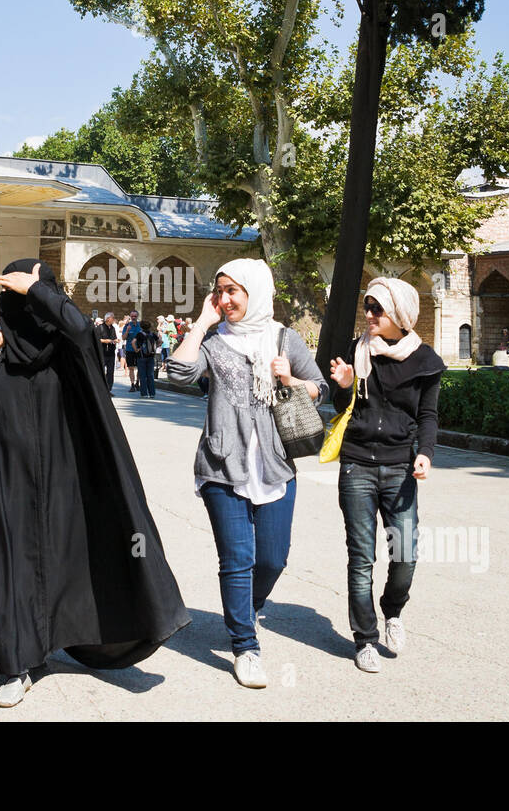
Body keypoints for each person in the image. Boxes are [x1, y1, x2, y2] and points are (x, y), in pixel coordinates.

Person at [0, 260, 190, 707]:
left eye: (41, 291)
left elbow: (80, 327)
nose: (32, 301)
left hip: (61, 481)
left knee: (59, 563)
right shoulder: (0, 347)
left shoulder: (68, 351)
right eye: (24, 292)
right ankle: (12, 665)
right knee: (7, 564)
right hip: (2, 478)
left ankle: (45, 643)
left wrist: (36, 289)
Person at [167, 258, 326, 689]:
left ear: (255, 292)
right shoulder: (215, 342)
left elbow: (319, 387)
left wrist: (291, 379)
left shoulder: (283, 338)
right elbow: (179, 373)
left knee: (273, 558)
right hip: (222, 465)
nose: (225, 298)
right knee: (237, 559)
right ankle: (245, 646)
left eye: (233, 290)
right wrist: (201, 322)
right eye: (220, 290)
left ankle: (246, 608)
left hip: (275, 465)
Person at [328, 277, 446, 674]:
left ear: (399, 314)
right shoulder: (357, 352)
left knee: (406, 553)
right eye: (368, 306)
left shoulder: (425, 360)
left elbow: (428, 415)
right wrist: (344, 386)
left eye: (378, 308)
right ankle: (365, 639)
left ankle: (392, 610)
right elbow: (342, 405)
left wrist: (425, 454)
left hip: (400, 467)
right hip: (357, 464)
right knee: (361, 558)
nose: (369, 315)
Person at [135, 320, 159, 398]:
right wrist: (154, 348)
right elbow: (160, 341)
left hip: (141, 357)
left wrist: (136, 349)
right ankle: (152, 393)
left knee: (142, 376)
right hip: (151, 356)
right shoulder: (153, 334)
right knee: (150, 375)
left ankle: (144, 394)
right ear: (150, 326)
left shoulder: (139, 334)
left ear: (141, 326)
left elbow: (133, 342)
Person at [96, 311, 118, 390]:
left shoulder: (113, 328)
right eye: (113, 317)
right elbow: (96, 339)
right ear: (108, 319)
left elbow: (114, 337)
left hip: (111, 353)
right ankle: (101, 388)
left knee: (110, 372)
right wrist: (105, 341)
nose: (114, 319)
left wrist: (115, 340)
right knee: (101, 371)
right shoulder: (100, 327)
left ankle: (109, 389)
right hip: (102, 352)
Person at [122, 310, 142, 392]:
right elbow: (123, 338)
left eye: (135, 316)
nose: (133, 318)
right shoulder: (127, 326)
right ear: (130, 317)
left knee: (140, 367)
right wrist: (127, 330)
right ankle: (132, 384)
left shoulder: (140, 325)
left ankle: (138, 382)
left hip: (139, 349)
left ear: (137, 316)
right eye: (132, 316)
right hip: (130, 349)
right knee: (131, 368)